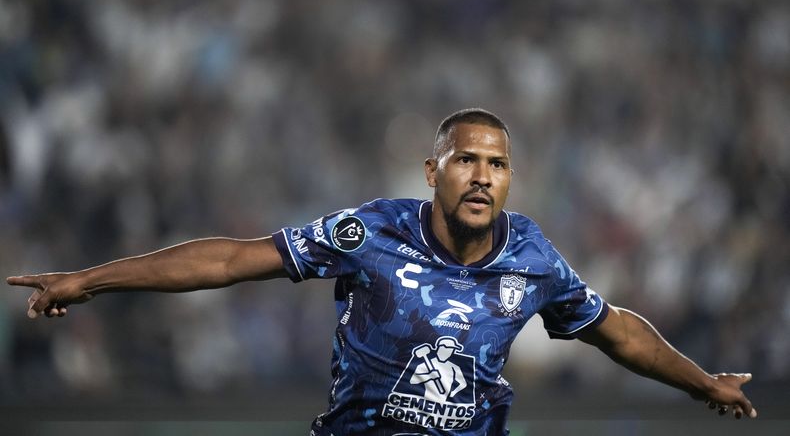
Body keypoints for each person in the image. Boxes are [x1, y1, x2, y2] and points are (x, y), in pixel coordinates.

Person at [7, 108, 757, 434]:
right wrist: (88, 278)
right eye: (465, 158)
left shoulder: (532, 256)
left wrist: (704, 382)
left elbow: (616, 331)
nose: (480, 175)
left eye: (496, 164)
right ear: (433, 169)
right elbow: (234, 259)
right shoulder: (369, 232)